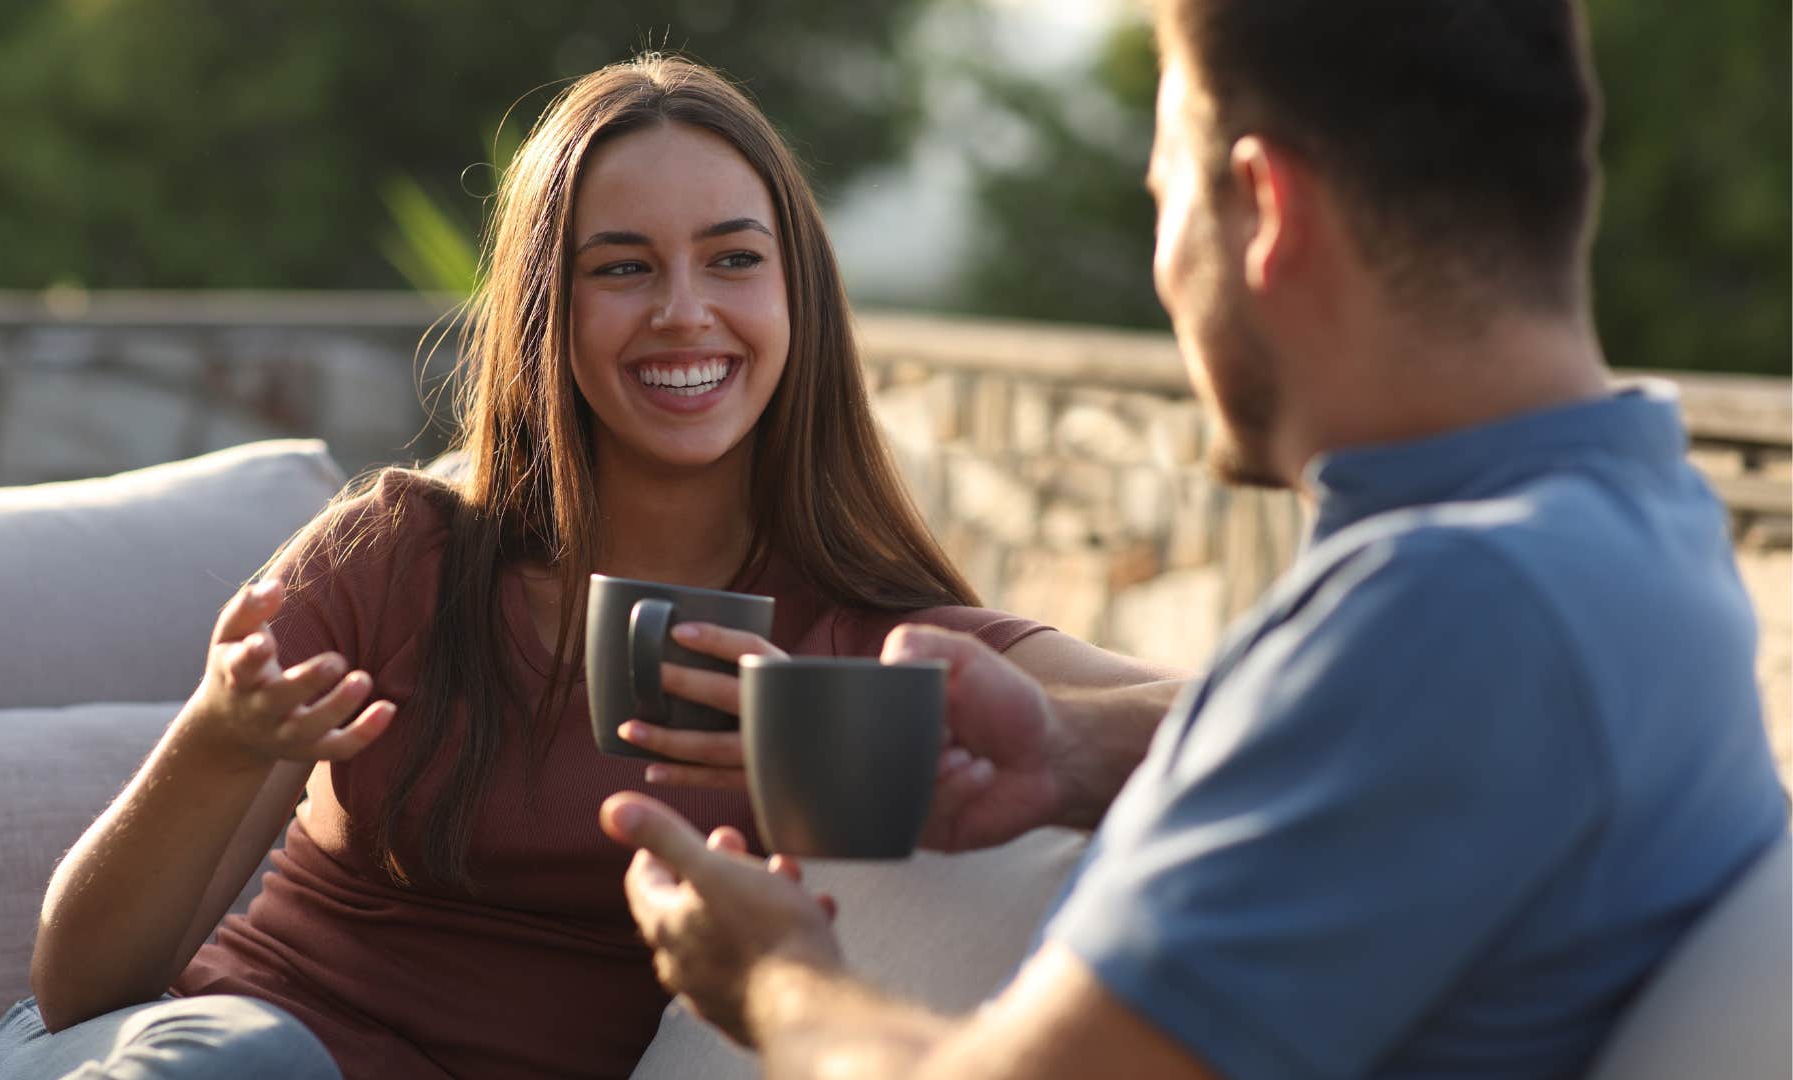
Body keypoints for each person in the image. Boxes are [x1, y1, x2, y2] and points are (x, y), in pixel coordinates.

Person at [600, 3, 1791, 1077]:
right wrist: (1070, 752)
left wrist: (773, 979)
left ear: (1263, 209)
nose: (1165, 262)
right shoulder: (1630, 510)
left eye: (1162, 193)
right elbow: (1402, 779)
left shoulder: (1463, 602)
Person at [0, 55, 1183, 1080]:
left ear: (798, 294)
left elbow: (1240, 712)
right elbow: (79, 987)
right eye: (623, 267)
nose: (685, 312)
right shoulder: (401, 555)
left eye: (733, 259)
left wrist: (976, 733)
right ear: (550, 306)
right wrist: (221, 739)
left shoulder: (859, 638)